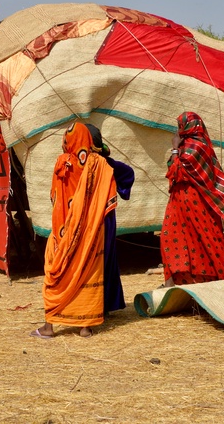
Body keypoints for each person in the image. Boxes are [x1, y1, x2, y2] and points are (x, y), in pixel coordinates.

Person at [31, 122, 124, 339]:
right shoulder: (100, 164)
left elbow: (56, 196)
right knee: (88, 273)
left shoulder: (63, 162)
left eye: (65, 138)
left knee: (57, 272)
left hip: (65, 232)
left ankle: (49, 327)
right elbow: (109, 197)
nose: (63, 143)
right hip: (91, 232)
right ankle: (85, 327)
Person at [159, 112, 224, 287]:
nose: (178, 130)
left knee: (205, 238)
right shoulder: (184, 145)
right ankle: (178, 281)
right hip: (178, 200)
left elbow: (177, 171)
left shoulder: (197, 147)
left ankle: (213, 279)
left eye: (180, 125)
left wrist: (174, 148)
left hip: (196, 200)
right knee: (170, 237)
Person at [85, 123, 135, 315]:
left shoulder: (103, 164)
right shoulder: (79, 162)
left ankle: (99, 305)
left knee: (100, 259)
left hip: (102, 218)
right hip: (95, 218)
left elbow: (128, 173)